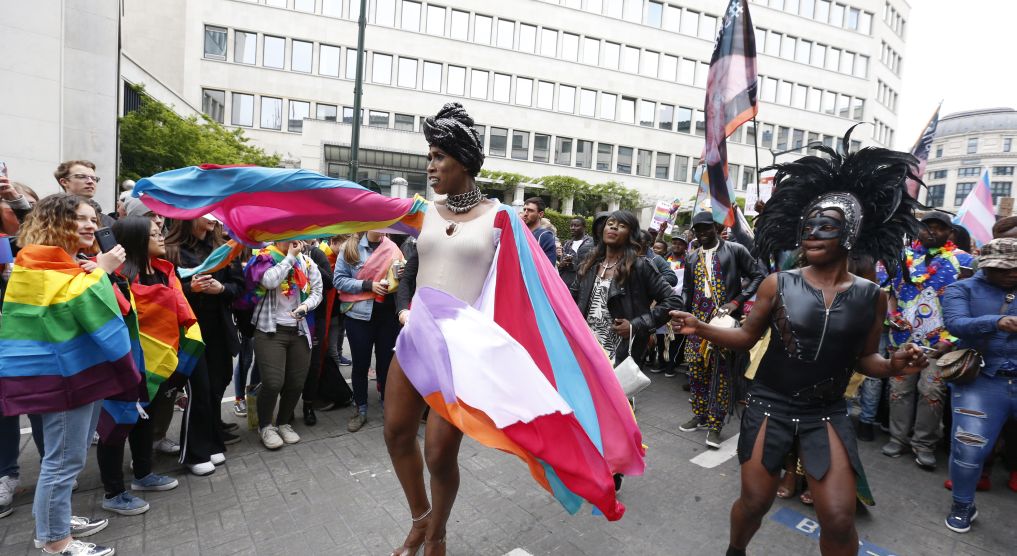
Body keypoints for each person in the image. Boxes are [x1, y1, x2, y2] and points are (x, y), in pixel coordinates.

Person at [384, 103, 642, 556]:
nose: (430, 165)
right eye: (429, 155)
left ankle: (437, 535)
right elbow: (408, 271)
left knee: (440, 453)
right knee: (395, 434)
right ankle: (420, 518)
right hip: (414, 340)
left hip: (462, 351)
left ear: (463, 160)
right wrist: (405, 309)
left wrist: (572, 348)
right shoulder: (423, 212)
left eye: (438, 156)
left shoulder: (501, 219)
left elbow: (538, 291)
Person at [669, 140, 928, 556]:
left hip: (826, 412)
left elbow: (866, 359)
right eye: (807, 227)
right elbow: (746, 338)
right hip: (770, 403)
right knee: (755, 503)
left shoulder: (871, 296)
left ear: (851, 234)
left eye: (825, 226)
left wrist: (895, 363)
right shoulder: (779, 283)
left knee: (840, 518)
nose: (811, 234)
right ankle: (735, 550)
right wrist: (701, 327)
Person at [1, 193, 136, 556]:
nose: (92, 225)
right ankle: (54, 540)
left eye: (94, 219)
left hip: (79, 373)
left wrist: (95, 270)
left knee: (63, 458)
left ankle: (55, 518)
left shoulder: (63, 261)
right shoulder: (36, 260)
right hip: (63, 378)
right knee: (64, 461)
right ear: (55, 221)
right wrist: (102, 272)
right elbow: (70, 306)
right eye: (81, 218)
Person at [95, 216, 185, 516]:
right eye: (154, 234)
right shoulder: (114, 277)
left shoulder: (165, 272)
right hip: (125, 362)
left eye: (161, 232)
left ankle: (144, 474)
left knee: (145, 420)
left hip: (156, 362)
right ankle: (114, 491)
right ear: (134, 241)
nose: (161, 238)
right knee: (117, 425)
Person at [880, 211, 974, 469]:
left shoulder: (964, 261)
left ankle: (924, 444)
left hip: (940, 343)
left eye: (939, 228)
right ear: (917, 230)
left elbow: (970, 303)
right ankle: (897, 438)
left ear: (950, 233)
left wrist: (952, 338)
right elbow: (887, 292)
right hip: (903, 339)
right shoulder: (902, 257)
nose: (932, 231)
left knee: (931, 392)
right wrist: (892, 316)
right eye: (926, 227)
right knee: (899, 391)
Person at [940, 237, 1017, 533]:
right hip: (983, 382)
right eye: (1003, 268)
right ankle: (962, 505)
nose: (1011, 274)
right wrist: (996, 322)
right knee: (968, 449)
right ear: (985, 266)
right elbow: (956, 323)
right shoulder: (963, 288)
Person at [678, 211, 765, 448]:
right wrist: (681, 312)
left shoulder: (735, 250)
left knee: (720, 373)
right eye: (698, 229)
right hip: (696, 321)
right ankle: (700, 413)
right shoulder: (692, 256)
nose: (702, 232)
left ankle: (715, 425)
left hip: (722, 322)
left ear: (716, 227)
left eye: (707, 228)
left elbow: (758, 276)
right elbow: (687, 289)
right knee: (696, 370)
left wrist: (736, 302)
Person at [164, 216, 240, 474]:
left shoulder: (223, 247)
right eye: (207, 213)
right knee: (199, 390)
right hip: (188, 331)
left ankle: (210, 441)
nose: (213, 219)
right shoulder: (170, 250)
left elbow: (237, 287)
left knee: (218, 384)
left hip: (219, 329)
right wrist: (190, 289)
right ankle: (195, 453)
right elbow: (164, 292)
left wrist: (221, 289)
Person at [571, 212, 682, 364]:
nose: (614, 227)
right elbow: (570, 297)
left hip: (619, 354)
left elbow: (673, 300)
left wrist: (635, 325)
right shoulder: (590, 263)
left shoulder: (640, 266)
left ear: (631, 235)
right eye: (610, 223)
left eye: (622, 226)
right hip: (585, 348)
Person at [247, 240, 323, 449]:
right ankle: (265, 426)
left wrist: (305, 306)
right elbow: (270, 281)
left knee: (296, 382)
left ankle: (283, 422)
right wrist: (289, 258)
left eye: (294, 235)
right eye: (285, 235)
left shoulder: (306, 263)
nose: (290, 240)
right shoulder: (264, 258)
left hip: (299, 330)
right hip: (270, 330)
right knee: (273, 382)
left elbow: (317, 291)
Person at [334, 231, 403, 432]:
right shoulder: (350, 248)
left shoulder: (392, 248)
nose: (382, 227)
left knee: (386, 365)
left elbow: (400, 281)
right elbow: (338, 280)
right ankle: (360, 409)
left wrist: (399, 276)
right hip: (359, 318)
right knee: (360, 365)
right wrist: (368, 285)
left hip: (387, 317)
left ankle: (388, 406)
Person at [53, 160, 115, 227]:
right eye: (81, 176)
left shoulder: (109, 223)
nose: (90, 181)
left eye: (94, 178)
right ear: (64, 182)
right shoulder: (49, 216)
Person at [559, 216, 594, 288]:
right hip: (566, 281)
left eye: (576, 226)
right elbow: (561, 263)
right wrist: (562, 264)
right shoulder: (567, 244)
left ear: (584, 227)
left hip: (583, 280)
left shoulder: (591, 242)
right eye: (571, 225)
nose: (572, 228)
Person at [520, 197, 556, 265]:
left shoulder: (545, 236)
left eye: (530, 210)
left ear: (540, 214)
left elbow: (549, 267)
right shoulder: (520, 233)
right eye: (524, 210)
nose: (525, 213)